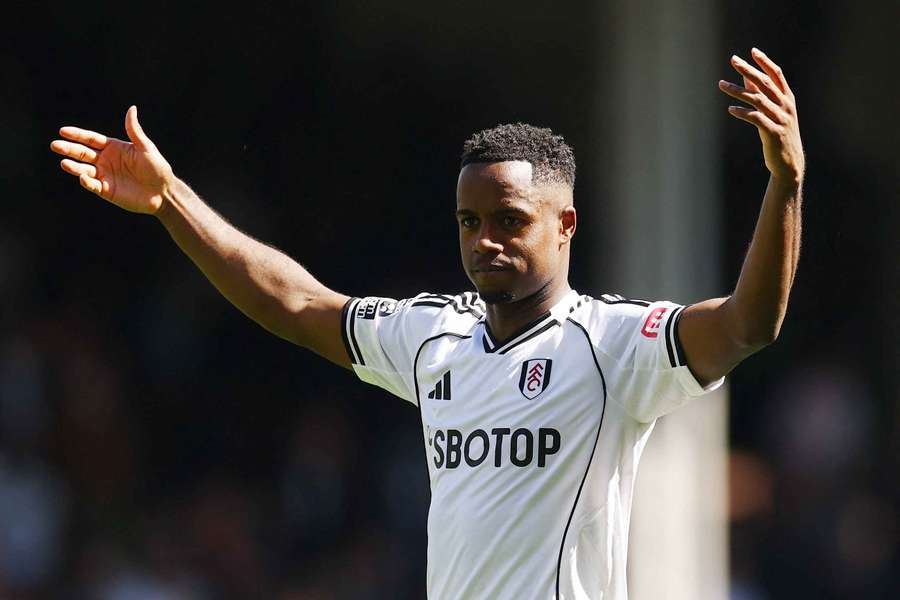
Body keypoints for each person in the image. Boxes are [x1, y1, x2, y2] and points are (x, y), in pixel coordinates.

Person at [51, 48, 803, 599]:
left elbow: (748, 325)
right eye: (469, 222)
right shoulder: (432, 338)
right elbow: (296, 302)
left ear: (565, 224)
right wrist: (171, 201)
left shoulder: (612, 345)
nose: (485, 241)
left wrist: (785, 183)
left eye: (510, 220)